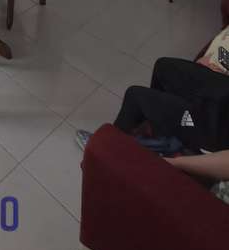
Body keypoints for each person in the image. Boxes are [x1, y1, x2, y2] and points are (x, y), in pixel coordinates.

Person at [76, 22, 229, 153]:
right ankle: (158, 130)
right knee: (163, 66)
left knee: (135, 95)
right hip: (221, 90)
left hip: (217, 125)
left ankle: (106, 150)